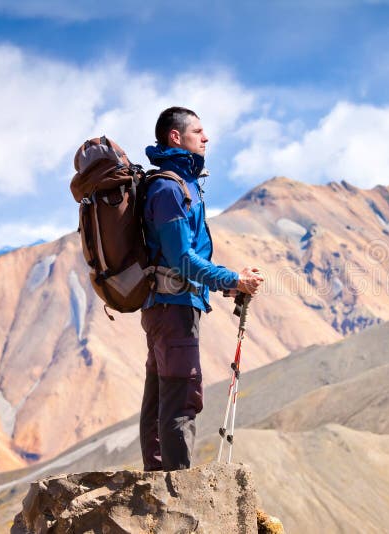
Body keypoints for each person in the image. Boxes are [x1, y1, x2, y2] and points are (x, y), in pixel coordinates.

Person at [139, 106, 263, 471]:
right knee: (180, 397)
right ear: (175, 137)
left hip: (168, 305)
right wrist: (232, 280)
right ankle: (177, 490)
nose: (206, 137)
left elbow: (181, 258)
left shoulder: (181, 184)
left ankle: (160, 484)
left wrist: (226, 284)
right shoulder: (169, 189)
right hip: (173, 308)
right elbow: (181, 258)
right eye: (198, 131)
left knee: (162, 394)